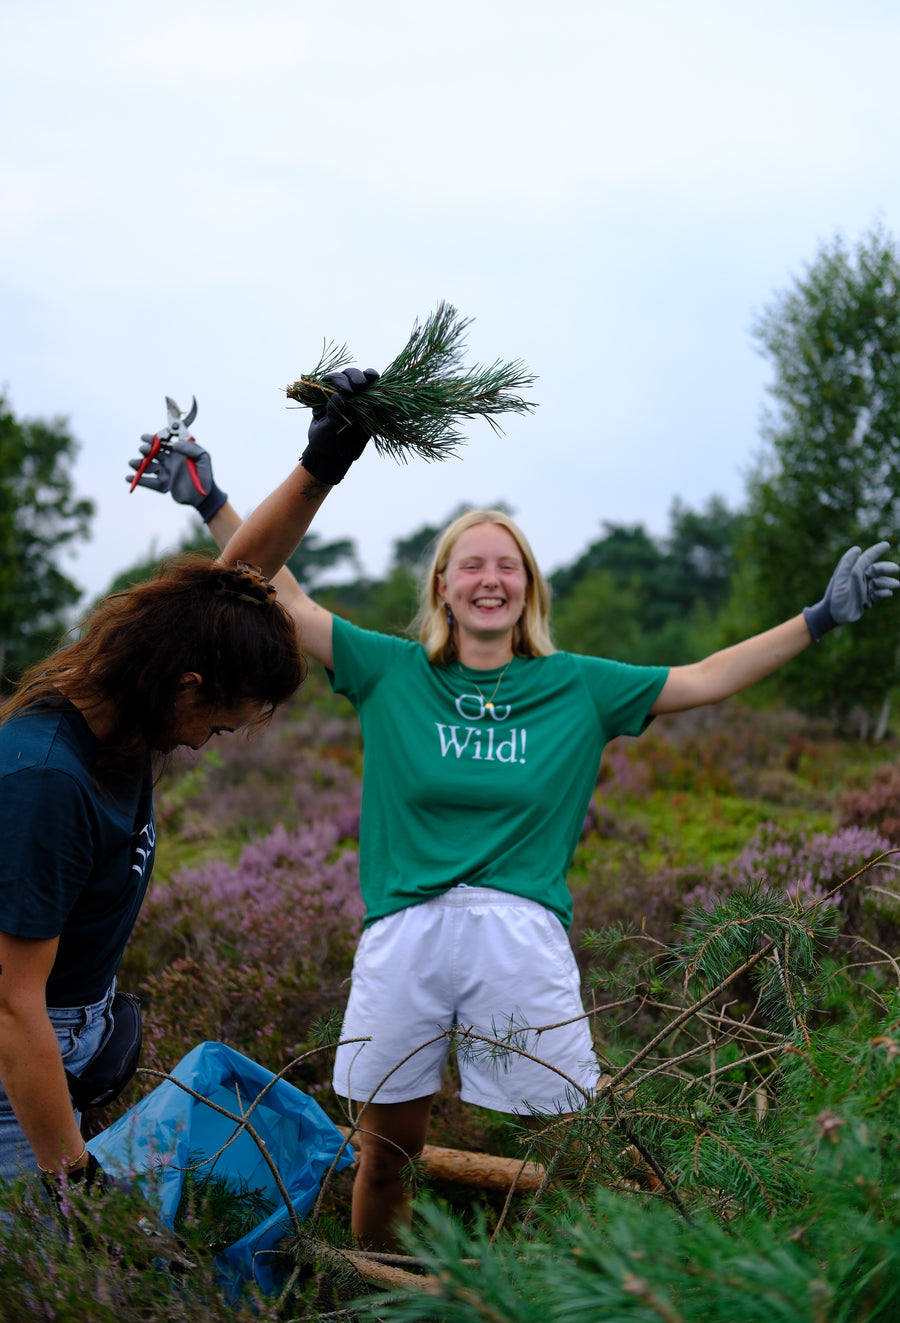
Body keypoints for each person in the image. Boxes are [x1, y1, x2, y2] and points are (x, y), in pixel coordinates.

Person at [129, 390, 899, 1248]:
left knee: (570, 1145)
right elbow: (268, 592)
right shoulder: (389, 671)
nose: (490, 579)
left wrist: (819, 619)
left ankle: (558, 1295)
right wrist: (208, 496)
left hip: (522, 939)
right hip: (404, 934)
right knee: (388, 1154)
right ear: (444, 588)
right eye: (472, 565)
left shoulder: (579, 685)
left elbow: (708, 676)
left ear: (527, 586)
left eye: (508, 565)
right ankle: (373, 1301)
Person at [0, 380, 372, 1190]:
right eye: (222, 722)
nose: (212, 742)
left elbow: (235, 580)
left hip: (74, 1038)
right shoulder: (44, 783)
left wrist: (323, 464)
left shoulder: (126, 712)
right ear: (186, 685)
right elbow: (10, 1004)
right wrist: (76, 1181)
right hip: (17, 1066)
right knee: (55, 1285)